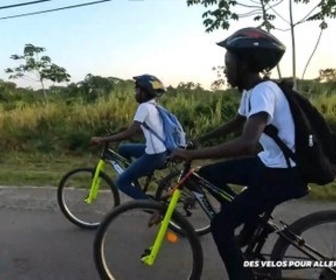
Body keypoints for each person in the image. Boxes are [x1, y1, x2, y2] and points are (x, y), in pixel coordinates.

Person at [171, 27, 309, 280]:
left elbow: (247, 143)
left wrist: (196, 153)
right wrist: (199, 141)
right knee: (208, 175)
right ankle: (250, 221)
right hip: (269, 163)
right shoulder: (251, 91)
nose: (225, 70)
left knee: (221, 226)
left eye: (227, 63)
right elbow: (237, 123)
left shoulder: (264, 91)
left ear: (243, 64)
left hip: (283, 174)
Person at [91, 74, 168, 200]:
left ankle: (153, 208)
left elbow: (130, 133)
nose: (135, 92)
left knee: (121, 182)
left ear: (144, 91)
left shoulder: (144, 107)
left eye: (137, 89)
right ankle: (134, 178)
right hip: (161, 151)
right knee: (124, 149)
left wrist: (102, 140)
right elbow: (138, 129)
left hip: (154, 155)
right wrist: (116, 133)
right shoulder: (155, 106)